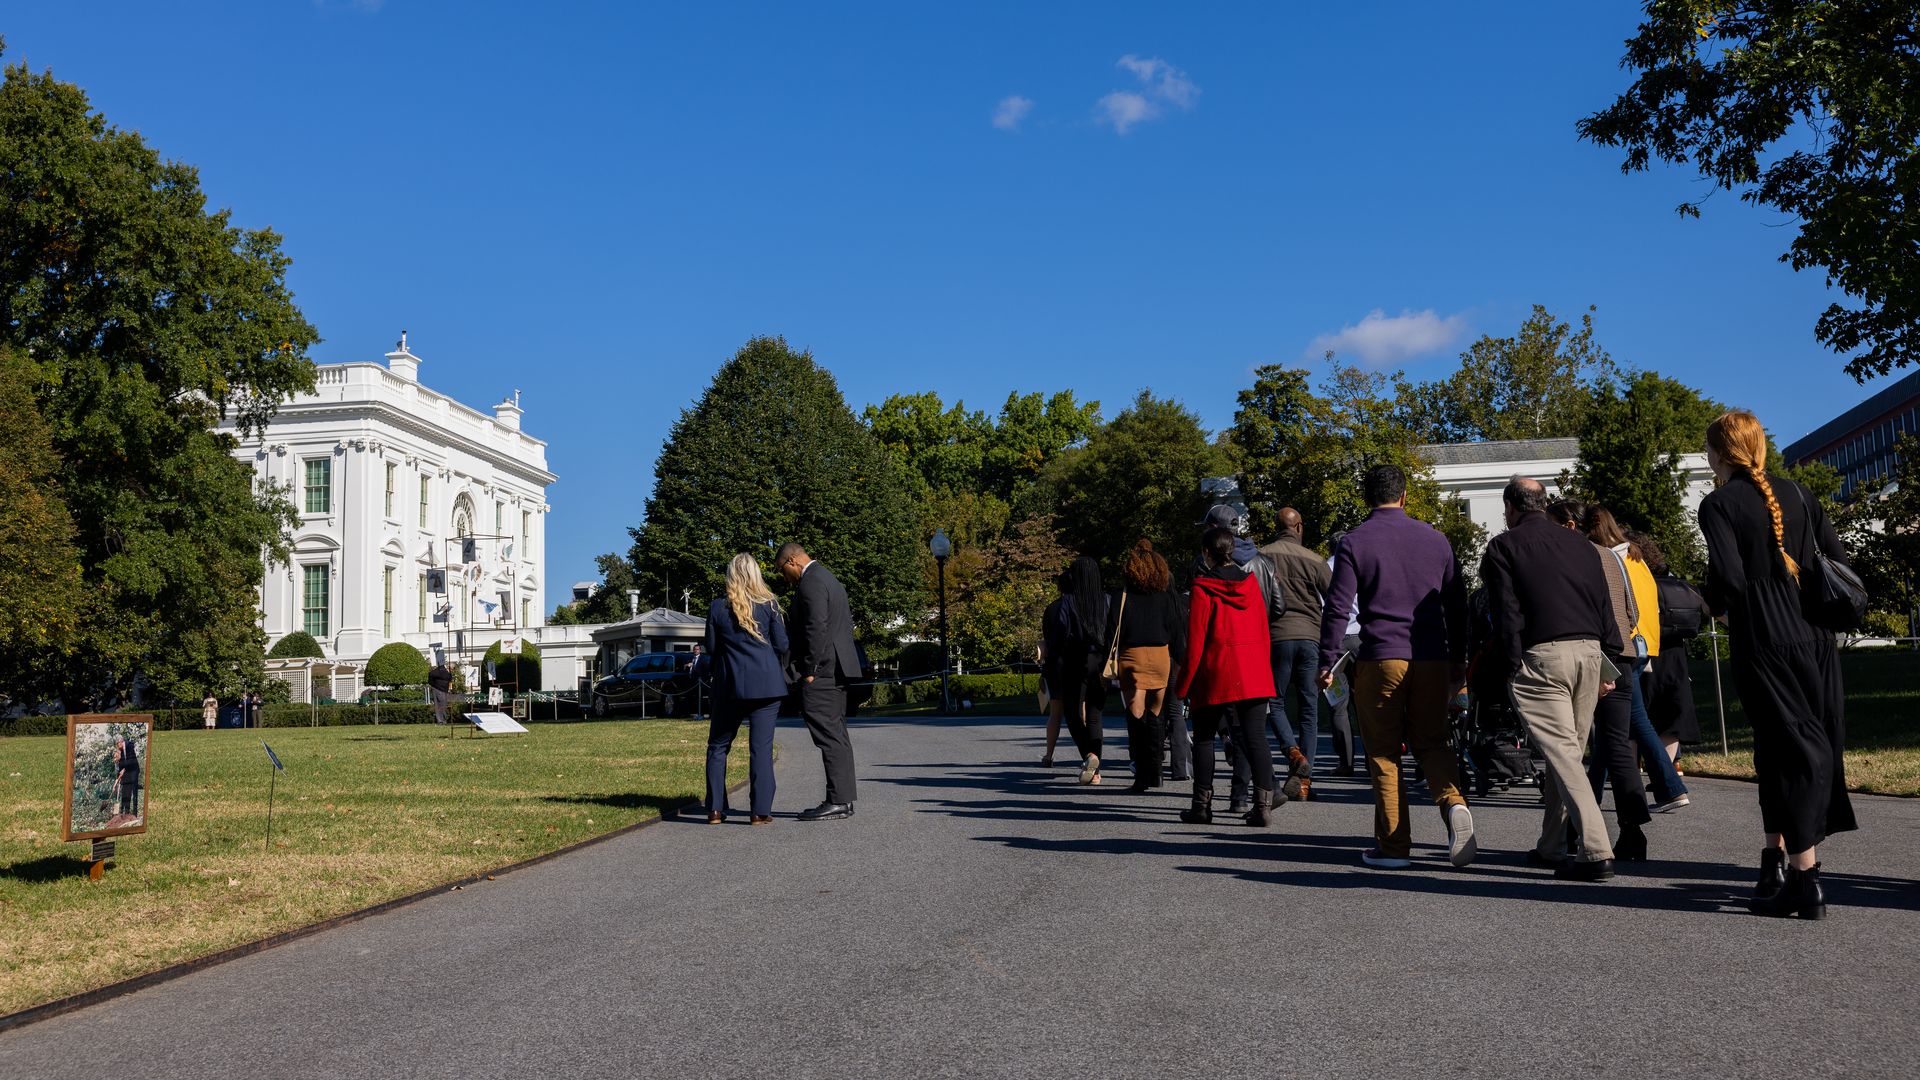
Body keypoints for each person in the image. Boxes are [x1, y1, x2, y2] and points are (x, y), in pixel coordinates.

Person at [1701, 409, 1856, 919]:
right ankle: (1776, 860)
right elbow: (1835, 558)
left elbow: (1727, 580)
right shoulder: (1800, 495)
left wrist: (1708, 606)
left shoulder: (1718, 504)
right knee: (1788, 746)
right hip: (1814, 635)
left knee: (1789, 750)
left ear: (1720, 454)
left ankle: (1804, 877)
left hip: (1765, 636)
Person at [1317, 465, 1475, 869]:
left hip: (1381, 657)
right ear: (1404, 496)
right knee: (1432, 743)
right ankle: (1453, 803)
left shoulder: (1354, 542)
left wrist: (1328, 658)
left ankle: (1393, 847)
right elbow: (1457, 606)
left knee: (1384, 753)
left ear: (1368, 498)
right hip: (1432, 656)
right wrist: (1458, 659)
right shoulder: (1437, 540)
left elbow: (1338, 607)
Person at [1481, 477, 1622, 882]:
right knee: (1569, 756)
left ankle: (1595, 849)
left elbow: (1507, 614)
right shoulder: (1581, 544)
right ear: (1543, 503)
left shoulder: (1504, 547)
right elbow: (1603, 603)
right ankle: (1552, 845)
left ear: (1510, 507)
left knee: (1562, 756)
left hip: (1543, 656)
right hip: (1590, 652)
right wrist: (1609, 657)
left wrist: (1510, 666)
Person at [1568, 504, 1658, 863]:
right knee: (1619, 746)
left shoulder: (1578, 557)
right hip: (1624, 653)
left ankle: (1574, 831)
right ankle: (1632, 829)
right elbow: (1632, 610)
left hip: (1594, 654)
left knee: (1572, 745)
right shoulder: (1617, 558)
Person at [1175, 526, 1279, 826]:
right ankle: (1262, 808)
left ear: (1207, 553)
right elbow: (1263, 632)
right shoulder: (1252, 586)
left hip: (1216, 670)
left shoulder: (1202, 589)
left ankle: (1201, 806)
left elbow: (1195, 644)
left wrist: (1182, 686)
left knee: (1206, 738)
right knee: (1256, 738)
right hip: (1253, 670)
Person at [1195, 504, 1291, 814]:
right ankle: (1259, 798)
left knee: (1220, 732)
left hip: (1221, 657)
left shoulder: (1206, 569)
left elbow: (1198, 628)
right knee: (1251, 733)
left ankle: (1219, 801)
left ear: (1214, 531)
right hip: (1255, 654)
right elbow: (1278, 606)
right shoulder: (1263, 562)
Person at [775, 541, 863, 820]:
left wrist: (810, 668)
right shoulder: (830, 578)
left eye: (781, 571)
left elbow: (816, 627)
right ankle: (843, 799)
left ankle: (838, 800)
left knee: (828, 735)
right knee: (837, 734)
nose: (784, 578)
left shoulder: (810, 582)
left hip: (822, 670)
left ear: (792, 562)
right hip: (837, 668)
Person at [700, 554, 789, 825]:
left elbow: (712, 649)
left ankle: (715, 809)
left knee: (718, 746)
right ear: (756, 574)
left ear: (730, 575)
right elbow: (783, 645)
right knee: (760, 749)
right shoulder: (769, 605)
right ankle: (759, 811)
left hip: (729, 685)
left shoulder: (717, 607)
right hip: (766, 684)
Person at [1260, 507, 1331, 799]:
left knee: (1273, 702)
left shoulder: (1262, 556)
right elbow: (1337, 601)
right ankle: (1304, 783)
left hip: (1276, 637)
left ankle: (1292, 752)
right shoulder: (1315, 560)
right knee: (1309, 709)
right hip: (1310, 637)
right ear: (1299, 526)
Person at [1105, 541, 1186, 794]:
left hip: (1132, 656)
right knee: (1156, 714)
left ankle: (1141, 773)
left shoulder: (1122, 596)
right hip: (1161, 656)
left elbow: (1111, 633)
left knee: (1135, 712)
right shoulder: (1166, 597)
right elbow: (1176, 633)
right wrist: (1182, 663)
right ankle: (1156, 771)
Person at [1636, 532, 1706, 762]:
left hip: (1645, 650)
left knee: (1638, 713)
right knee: (1671, 717)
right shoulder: (1672, 580)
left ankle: (1638, 770)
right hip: (1674, 651)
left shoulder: (1638, 580)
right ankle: (1667, 772)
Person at [1041, 556, 1110, 784]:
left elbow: (1060, 635)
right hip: (1100, 661)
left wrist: (1052, 653)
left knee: (1071, 713)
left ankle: (1089, 757)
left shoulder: (1069, 602)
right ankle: (1095, 767)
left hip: (1074, 660)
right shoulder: (1106, 601)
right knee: (1094, 715)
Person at [115, 731, 142, 817]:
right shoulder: (122, 751)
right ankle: (125, 811)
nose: (118, 747)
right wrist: (119, 774)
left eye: (117, 744)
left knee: (134, 790)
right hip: (128, 772)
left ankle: (135, 813)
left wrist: (124, 768)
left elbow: (131, 760)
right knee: (126, 789)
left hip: (134, 770)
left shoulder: (129, 746)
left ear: (121, 742)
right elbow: (122, 765)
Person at [428, 660, 454, 724]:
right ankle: (440, 721)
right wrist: (432, 684)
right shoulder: (440, 670)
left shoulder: (449, 672)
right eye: (452, 669)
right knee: (440, 704)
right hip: (438, 689)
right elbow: (431, 674)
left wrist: (450, 689)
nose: (452, 670)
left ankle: (443, 720)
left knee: (443, 704)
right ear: (449, 667)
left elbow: (449, 680)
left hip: (444, 690)